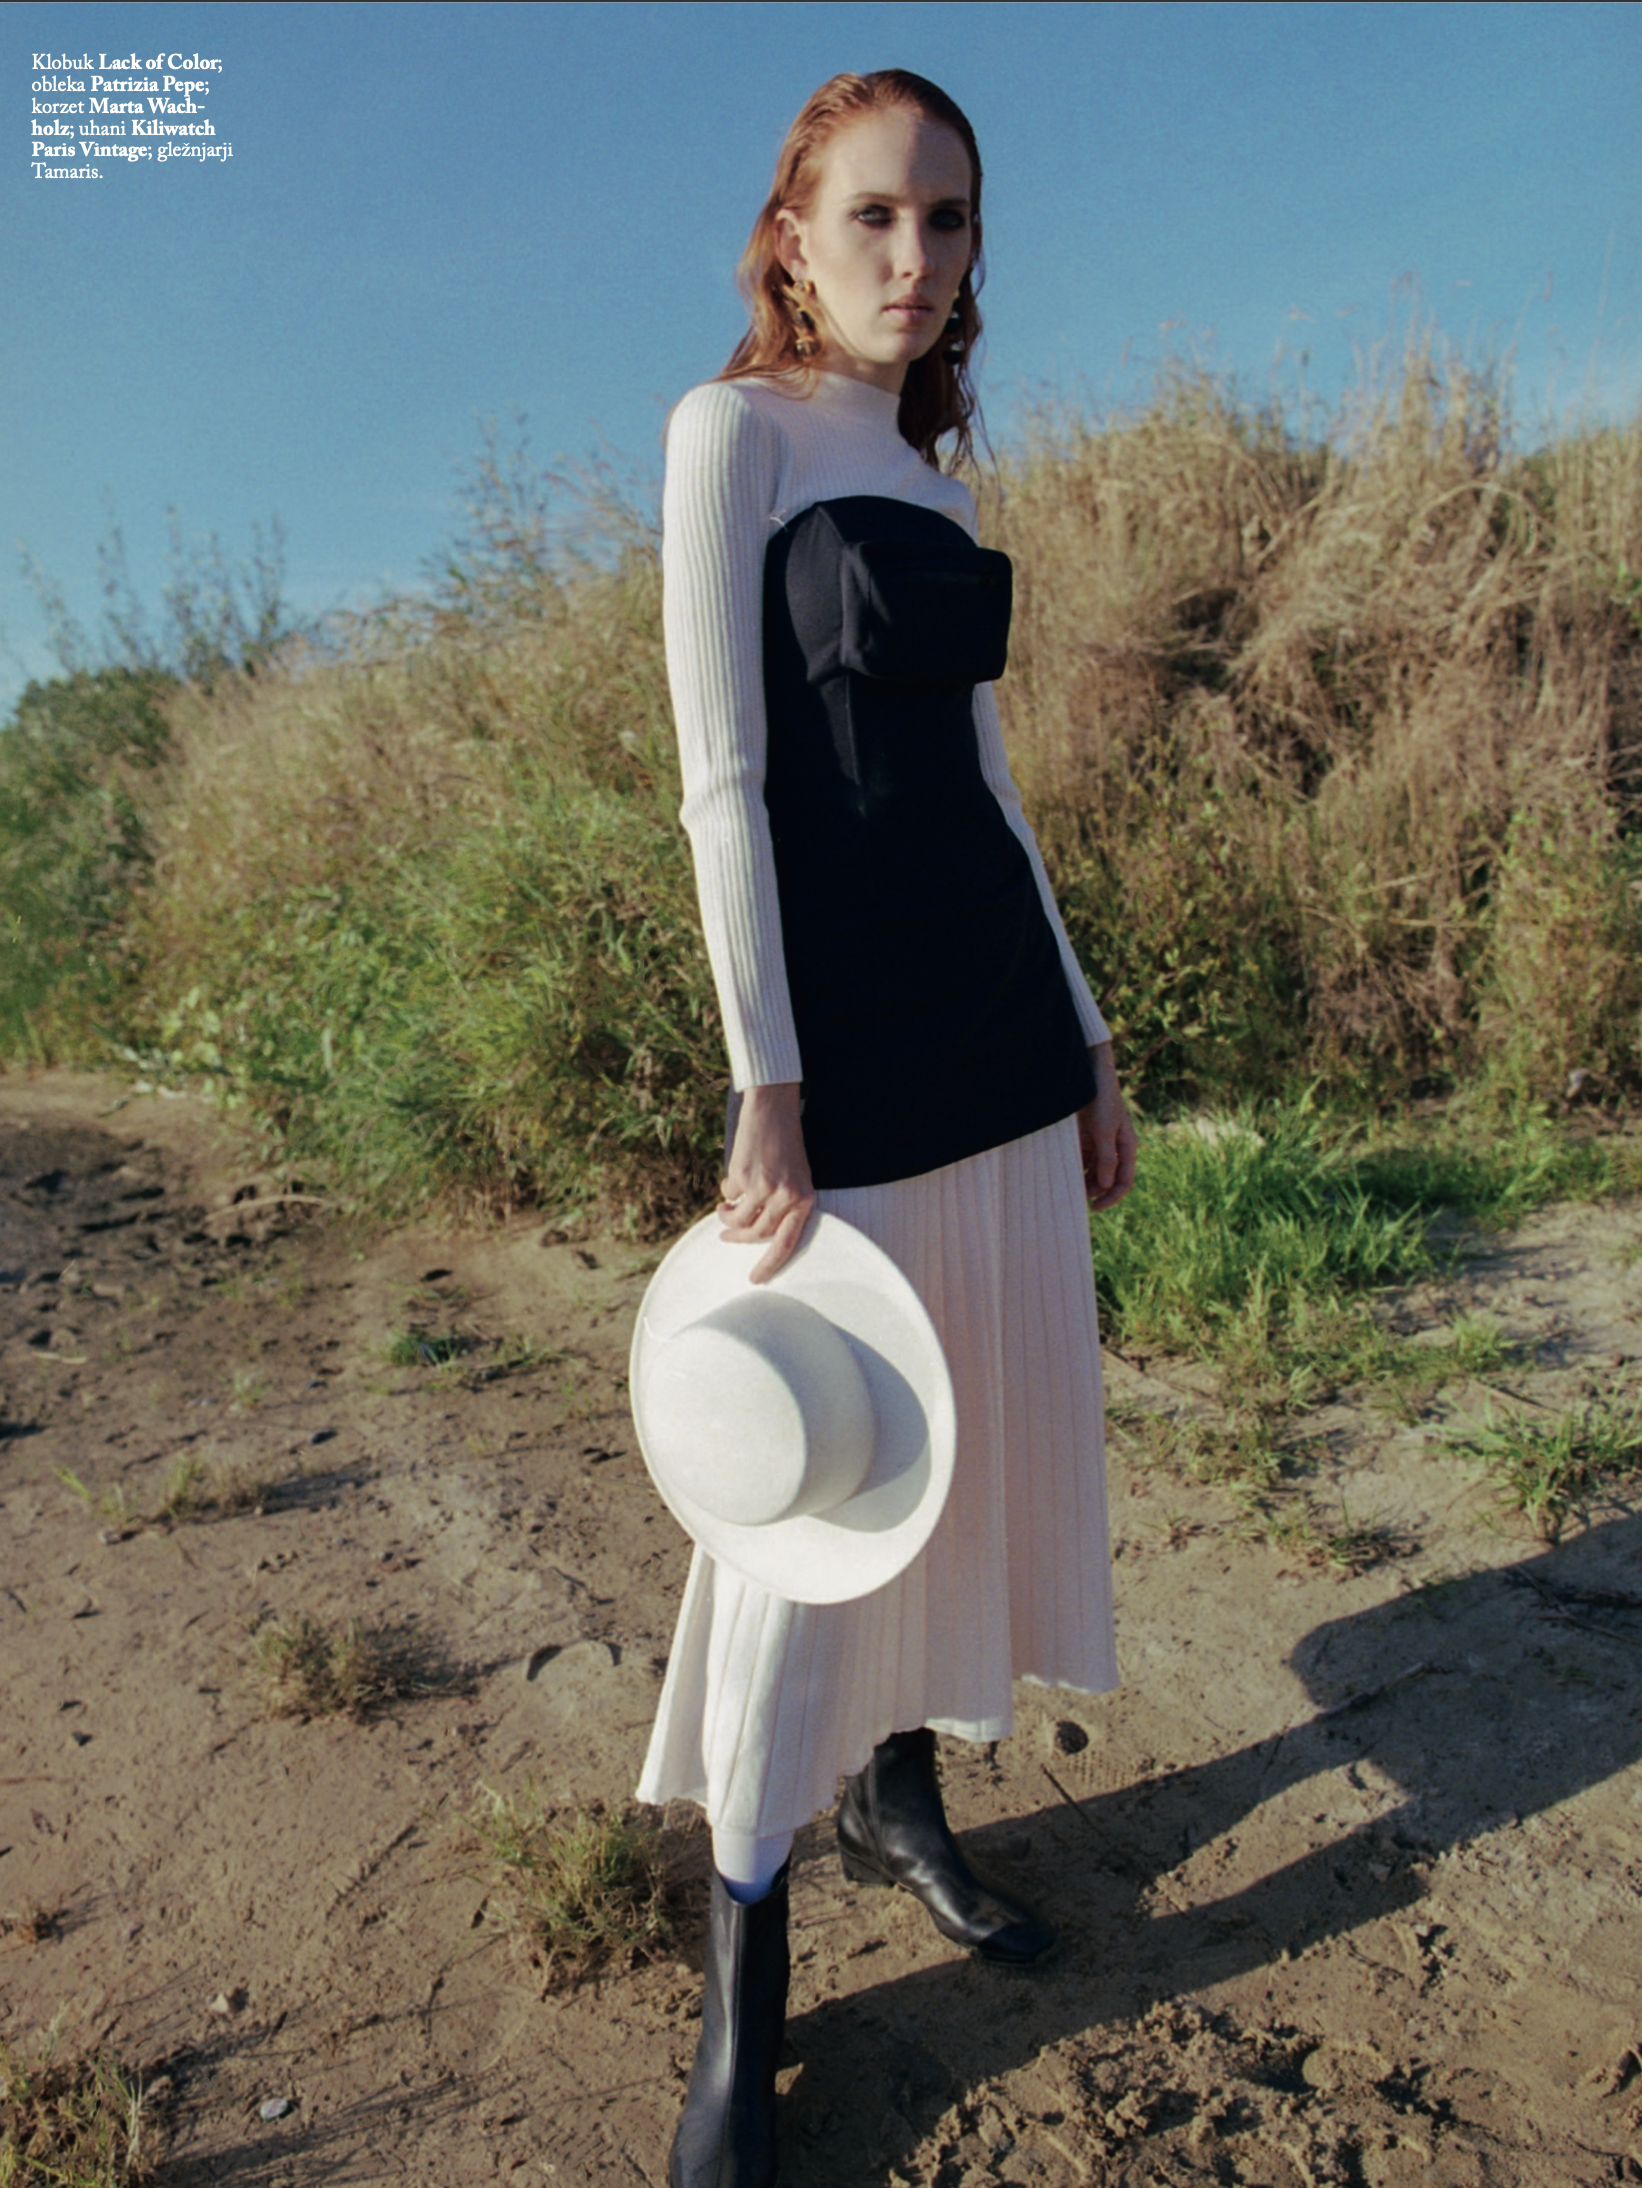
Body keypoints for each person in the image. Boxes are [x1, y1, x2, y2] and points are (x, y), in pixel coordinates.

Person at [635, 68, 1137, 2188]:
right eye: (873, 215)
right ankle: (741, 2006)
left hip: (998, 1037)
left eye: (947, 218)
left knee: (949, 1460)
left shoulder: (931, 480)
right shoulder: (730, 435)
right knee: (798, 1520)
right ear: (791, 234)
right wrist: (765, 1076)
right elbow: (720, 784)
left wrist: (1087, 1036)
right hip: (841, 1065)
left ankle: (899, 1799)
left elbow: (993, 793)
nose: (915, 258)